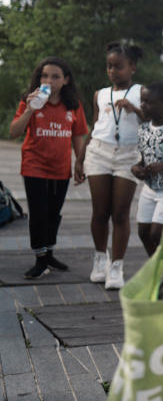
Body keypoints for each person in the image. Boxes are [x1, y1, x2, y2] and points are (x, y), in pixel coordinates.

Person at [9, 57, 88, 278]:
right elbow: (14, 132)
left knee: (54, 213)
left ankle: (49, 253)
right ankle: (40, 259)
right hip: (34, 166)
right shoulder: (30, 100)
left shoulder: (73, 105)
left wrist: (80, 164)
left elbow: (77, 136)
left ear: (65, 81)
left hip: (61, 169)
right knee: (38, 214)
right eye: (45, 76)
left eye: (55, 77)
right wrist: (30, 110)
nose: (49, 80)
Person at [77, 41, 145, 289]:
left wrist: (135, 109)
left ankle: (117, 266)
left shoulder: (141, 92)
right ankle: (99, 259)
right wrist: (80, 158)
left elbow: (154, 120)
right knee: (100, 211)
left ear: (132, 67)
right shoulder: (100, 94)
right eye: (109, 67)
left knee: (120, 213)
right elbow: (95, 127)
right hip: (99, 152)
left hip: (129, 155)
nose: (113, 71)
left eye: (118, 66)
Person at [131, 82, 163, 256]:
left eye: (148, 102)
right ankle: (157, 270)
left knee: (157, 233)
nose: (143, 105)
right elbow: (142, 159)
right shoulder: (143, 129)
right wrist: (137, 168)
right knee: (143, 233)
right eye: (142, 101)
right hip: (149, 188)